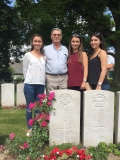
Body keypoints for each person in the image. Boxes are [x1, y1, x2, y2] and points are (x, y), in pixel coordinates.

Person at [23, 34, 45, 136]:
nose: (37, 43)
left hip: (40, 85)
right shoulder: (28, 55)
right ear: (32, 42)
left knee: (38, 108)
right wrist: (28, 80)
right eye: (35, 41)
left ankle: (36, 128)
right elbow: (24, 70)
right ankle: (30, 128)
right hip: (30, 85)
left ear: (42, 43)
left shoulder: (44, 57)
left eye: (39, 41)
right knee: (30, 107)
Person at [67, 33, 88, 136]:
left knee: (80, 109)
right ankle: (73, 129)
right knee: (72, 109)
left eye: (77, 41)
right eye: (73, 41)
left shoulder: (83, 54)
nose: (75, 43)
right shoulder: (69, 55)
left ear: (80, 43)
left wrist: (84, 81)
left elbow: (86, 68)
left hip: (80, 85)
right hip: (70, 85)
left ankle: (81, 131)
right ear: (70, 43)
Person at [44, 28, 68, 93]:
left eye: (58, 35)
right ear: (51, 36)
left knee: (63, 96)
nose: (56, 36)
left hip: (63, 77)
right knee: (51, 99)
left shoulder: (65, 49)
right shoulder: (45, 49)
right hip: (50, 77)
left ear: (61, 36)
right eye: (54, 35)